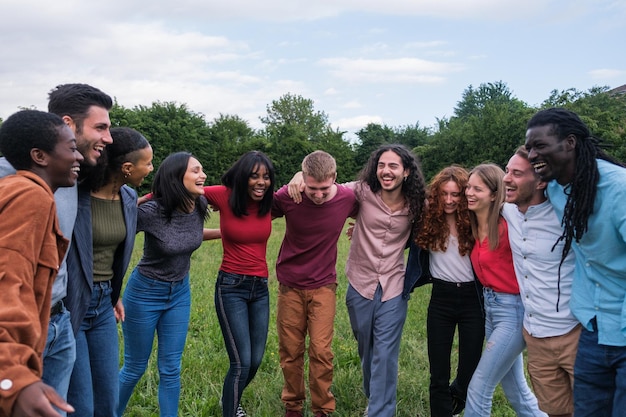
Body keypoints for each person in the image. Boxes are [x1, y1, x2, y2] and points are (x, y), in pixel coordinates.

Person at [0, 83, 113, 416]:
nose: (108, 138)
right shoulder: (24, 190)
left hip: (59, 319)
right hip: (18, 329)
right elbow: (8, 282)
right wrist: (11, 376)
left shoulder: (66, 175)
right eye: (101, 127)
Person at [525, 108, 626, 417]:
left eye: (539, 146)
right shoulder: (556, 189)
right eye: (529, 147)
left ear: (569, 143)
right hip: (594, 328)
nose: (531, 154)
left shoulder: (618, 189)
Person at [316, 144, 426, 417]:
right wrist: (297, 177)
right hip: (360, 282)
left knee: (385, 353)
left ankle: (380, 411)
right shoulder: (362, 192)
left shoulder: (417, 203)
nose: (386, 171)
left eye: (393, 166)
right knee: (367, 347)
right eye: (381, 165)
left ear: (406, 172)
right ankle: (373, 395)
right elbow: (327, 187)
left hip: (394, 285)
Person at [0, 110, 81, 417]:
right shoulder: (30, 196)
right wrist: (13, 378)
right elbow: (7, 285)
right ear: (40, 156)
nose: (79, 158)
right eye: (71, 148)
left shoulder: (15, 189)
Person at [118, 152, 212, 417]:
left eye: (201, 170)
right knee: (135, 367)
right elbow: (116, 221)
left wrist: (228, 234)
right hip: (145, 293)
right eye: (195, 171)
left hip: (180, 293)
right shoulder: (151, 212)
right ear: (175, 177)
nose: (202, 175)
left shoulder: (199, 204)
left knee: (171, 368)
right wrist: (142, 199)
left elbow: (188, 235)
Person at [67, 127, 153, 417]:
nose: (151, 169)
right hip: (71, 304)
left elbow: (115, 254)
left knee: (107, 399)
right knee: (81, 404)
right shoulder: (73, 194)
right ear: (127, 168)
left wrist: (113, 293)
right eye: (148, 163)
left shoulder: (128, 197)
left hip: (104, 305)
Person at [272, 151, 358, 417]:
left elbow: (377, 206)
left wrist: (361, 226)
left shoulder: (347, 198)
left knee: (321, 350)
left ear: (334, 178)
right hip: (290, 285)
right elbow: (256, 210)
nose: (318, 195)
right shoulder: (289, 195)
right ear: (303, 179)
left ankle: (322, 408)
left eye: (323, 188)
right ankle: (293, 406)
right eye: (312, 188)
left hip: (323, 285)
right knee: (290, 349)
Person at [502, 146, 579, 417]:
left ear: (541, 180)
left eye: (517, 174)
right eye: (507, 171)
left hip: (575, 333)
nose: (507, 178)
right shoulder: (508, 212)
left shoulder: (566, 215)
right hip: (535, 337)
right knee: (554, 412)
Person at [463, 163, 545, 417]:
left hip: (513, 312)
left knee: (479, 387)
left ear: (494, 194)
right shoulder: (474, 225)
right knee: (517, 392)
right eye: (468, 187)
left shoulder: (509, 224)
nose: (469, 193)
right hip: (491, 310)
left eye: (478, 189)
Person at [200, 151, 275, 417]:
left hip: (260, 289)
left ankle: (230, 398)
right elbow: (181, 186)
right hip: (231, 286)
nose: (261, 182)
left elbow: (300, 190)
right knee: (241, 362)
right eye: (254, 176)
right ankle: (231, 410)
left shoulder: (269, 203)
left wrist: (300, 174)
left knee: (255, 360)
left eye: (266, 177)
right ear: (243, 177)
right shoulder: (223, 195)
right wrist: (136, 201)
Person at [415, 165, 484, 417]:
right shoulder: (428, 219)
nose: (449, 200)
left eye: (455, 194)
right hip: (441, 300)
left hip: (472, 300)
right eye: (444, 193)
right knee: (438, 372)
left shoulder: (477, 220)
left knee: (470, 369)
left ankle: (458, 397)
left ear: (464, 195)